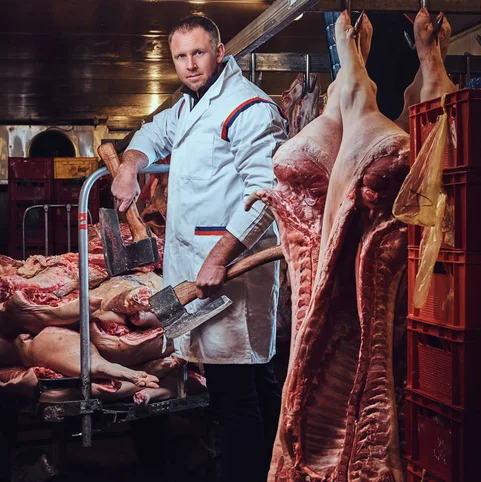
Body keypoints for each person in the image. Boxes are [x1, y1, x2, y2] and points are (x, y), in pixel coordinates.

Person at [110, 14, 287, 482]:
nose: (190, 65)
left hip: (232, 272)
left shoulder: (248, 107)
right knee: (254, 379)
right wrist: (130, 167)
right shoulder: (189, 105)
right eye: (181, 57)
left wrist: (218, 256)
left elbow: (267, 192)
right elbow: (152, 134)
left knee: (234, 394)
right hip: (195, 272)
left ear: (220, 51)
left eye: (198, 53)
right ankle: (282, 468)